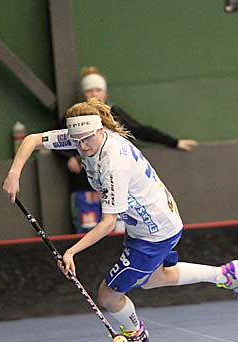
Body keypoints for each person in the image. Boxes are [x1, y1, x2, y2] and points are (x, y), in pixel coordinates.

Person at [3, 98, 238, 342]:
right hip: (151, 222)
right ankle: (225, 274)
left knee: (108, 295)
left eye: (87, 139)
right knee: (155, 278)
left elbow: (108, 223)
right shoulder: (81, 136)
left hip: (154, 231)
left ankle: (136, 335)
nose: (82, 146)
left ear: (99, 130)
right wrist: (14, 174)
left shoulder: (114, 164)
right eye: (76, 140)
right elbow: (32, 140)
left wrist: (72, 251)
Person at [62, 66, 198, 233]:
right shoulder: (75, 118)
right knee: (88, 229)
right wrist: (69, 156)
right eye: (89, 90)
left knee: (119, 230)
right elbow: (55, 139)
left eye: (98, 89)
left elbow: (140, 130)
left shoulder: (114, 115)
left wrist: (174, 142)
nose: (94, 94)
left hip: (115, 184)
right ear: (83, 93)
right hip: (86, 185)